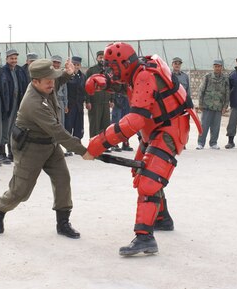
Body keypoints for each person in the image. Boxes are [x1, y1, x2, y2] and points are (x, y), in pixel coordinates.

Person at [85, 42, 201, 256]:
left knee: (149, 181)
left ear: (125, 63)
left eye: (113, 67)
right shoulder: (138, 71)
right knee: (144, 173)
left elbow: (135, 120)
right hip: (156, 128)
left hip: (168, 129)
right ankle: (162, 218)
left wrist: (100, 141)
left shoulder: (145, 75)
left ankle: (145, 237)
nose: (111, 72)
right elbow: (126, 85)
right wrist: (105, 82)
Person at [0, 59, 94, 239]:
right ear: (35, 81)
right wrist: (83, 150)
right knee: (21, 191)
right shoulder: (34, 104)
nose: (52, 83)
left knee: (63, 178)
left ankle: (63, 223)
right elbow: (59, 132)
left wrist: (67, 74)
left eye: (52, 79)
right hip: (30, 148)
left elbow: (58, 80)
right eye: (48, 81)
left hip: (49, 144)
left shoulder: (47, 86)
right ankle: (0, 210)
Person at [0, 49, 28, 164]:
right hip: (8, 104)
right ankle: (2, 154)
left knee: (15, 129)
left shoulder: (20, 70)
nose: (14, 60)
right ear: (7, 59)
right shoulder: (2, 71)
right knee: (5, 129)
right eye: (11, 58)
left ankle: (12, 153)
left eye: (15, 58)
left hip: (18, 103)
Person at [196, 60, 230, 150]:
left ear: (221, 67)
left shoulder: (225, 79)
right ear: (213, 67)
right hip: (207, 105)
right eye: (215, 66)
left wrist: (225, 106)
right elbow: (201, 90)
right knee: (204, 125)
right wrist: (200, 103)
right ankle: (200, 143)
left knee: (216, 126)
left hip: (218, 106)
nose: (217, 68)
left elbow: (227, 93)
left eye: (219, 66)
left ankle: (213, 143)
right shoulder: (207, 77)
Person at [85, 50, 112, 139]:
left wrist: (112, 99)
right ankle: (93, 145)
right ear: (97, 58)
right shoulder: (91, 70)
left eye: (104, 57)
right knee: (94, 125)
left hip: (106, 102)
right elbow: (86, 86)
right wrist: (88, 101)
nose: (102, 59)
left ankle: (103, 145)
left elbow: (112, 85)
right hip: (95, 102)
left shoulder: (109, 70)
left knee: (106, 125)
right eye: (100, 57)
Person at [64, 56, 87, 156]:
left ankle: (77, 145)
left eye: (78, 65)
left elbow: (85, 90)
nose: (76, 66)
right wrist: (66, 104)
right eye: (74, 64)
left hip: (79, 105)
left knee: (79, 126)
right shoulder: (68, 75)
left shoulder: (82, 76)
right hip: (70, 105)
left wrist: (86, 101)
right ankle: (69, 146)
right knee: (69, 125)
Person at [51, 55, 70, 156]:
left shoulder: (62, 75)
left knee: (61, 125)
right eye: (54, 62)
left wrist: (66, 104)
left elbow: (65, 91)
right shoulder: (48, 74)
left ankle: (58, 148)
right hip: (52, 101)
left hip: (61, 102)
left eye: (58, 63)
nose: (56, 64)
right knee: (52, 125)